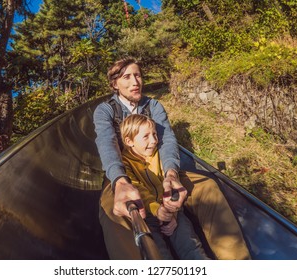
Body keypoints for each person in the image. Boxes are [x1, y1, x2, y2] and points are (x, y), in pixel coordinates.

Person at [93, 57, 251, 260]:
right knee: (113, 210)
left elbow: (167, 139)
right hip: (126, 173)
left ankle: (237, 262)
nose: (135, 82)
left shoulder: (153, 106)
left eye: (138, 75)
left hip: (159, 168)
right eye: (127, 77)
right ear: (115, 84)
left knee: (207, 186)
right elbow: (107, 143)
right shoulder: (106, 110)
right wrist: (120, 181)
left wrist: (171, 174)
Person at [110, 113, 210, 259]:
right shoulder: (125, 163)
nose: (154, 141)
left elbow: (172, 185)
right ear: (129, 141)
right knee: (157, 254)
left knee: (191, 246)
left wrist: (172, 212)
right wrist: (157, 210)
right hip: (147, 215)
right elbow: (138, 188)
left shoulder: (159, 155)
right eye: (146, 136)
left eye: (155, 134)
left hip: (172, 211)